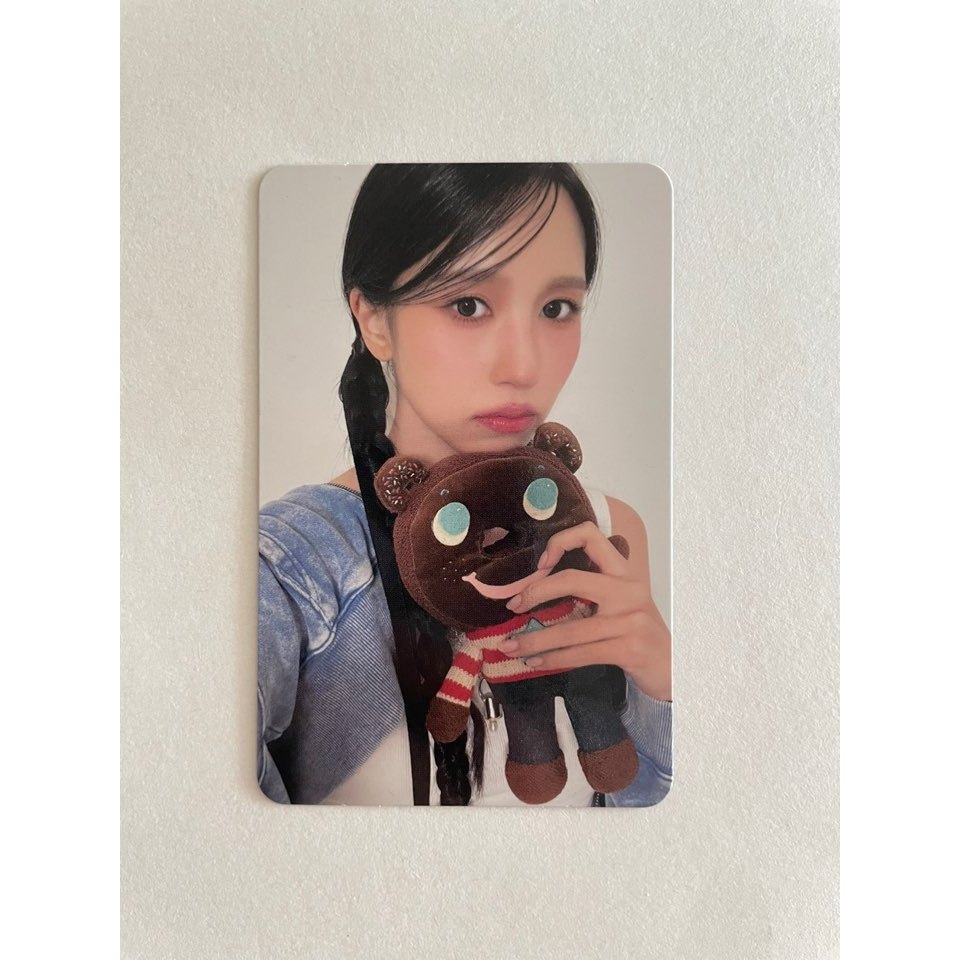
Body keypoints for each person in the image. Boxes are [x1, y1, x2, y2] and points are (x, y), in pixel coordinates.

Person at [258, 163, 672, 806]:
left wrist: (665, 685)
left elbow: (650, 819)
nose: (524, 365)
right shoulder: (292, 564)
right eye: (469, 305)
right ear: (374, 320)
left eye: (556, 308)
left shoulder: (609, 530)